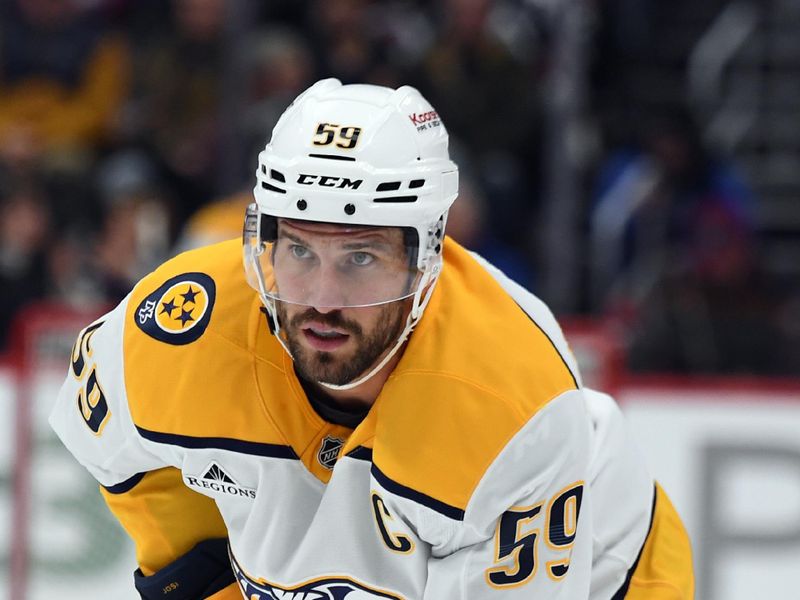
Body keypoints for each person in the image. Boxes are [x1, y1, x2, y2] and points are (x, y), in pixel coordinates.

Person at [50, 79, 694, 599]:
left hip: (609, 577)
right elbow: (115, 453)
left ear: (427, 259)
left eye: (360, 258)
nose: (322, 299)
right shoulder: (180, 326)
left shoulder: (507, 406)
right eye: (299, 250)